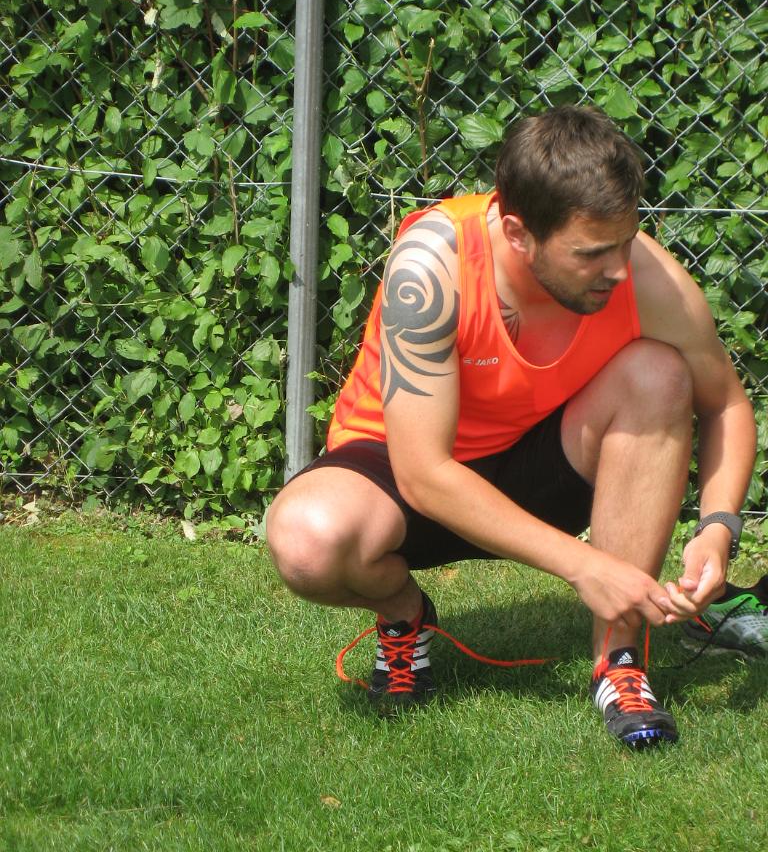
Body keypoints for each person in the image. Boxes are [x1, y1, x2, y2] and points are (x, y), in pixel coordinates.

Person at [267, 105, 759, 749]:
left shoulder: (647, 276)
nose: (617, 268)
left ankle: (620, 662)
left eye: (626, 241)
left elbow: (726, 404)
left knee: (659, 376)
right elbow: (424, 473)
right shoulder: (432, 266)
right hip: (405, 474)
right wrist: (584, 566)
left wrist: (717, 530)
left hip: (540, 461)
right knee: (305, 540)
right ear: (517, 232)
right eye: (591, 253)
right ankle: (403, 614)